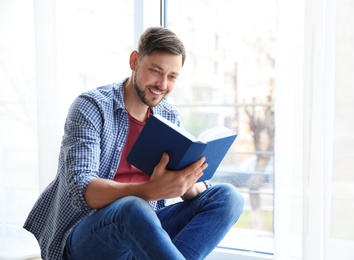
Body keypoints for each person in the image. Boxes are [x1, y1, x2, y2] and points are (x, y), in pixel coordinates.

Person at [24, 27, 244, 260]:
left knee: (228, 198)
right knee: (133, 207)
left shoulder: (168, 115)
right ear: (134, 61)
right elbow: (82, 190)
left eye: (172, 77)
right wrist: (149, 190)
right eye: (155, 71)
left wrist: (188, 183)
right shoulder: (91, 107)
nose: (162, 84)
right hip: (86, 234)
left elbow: (178, 187)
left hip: (143, 229)